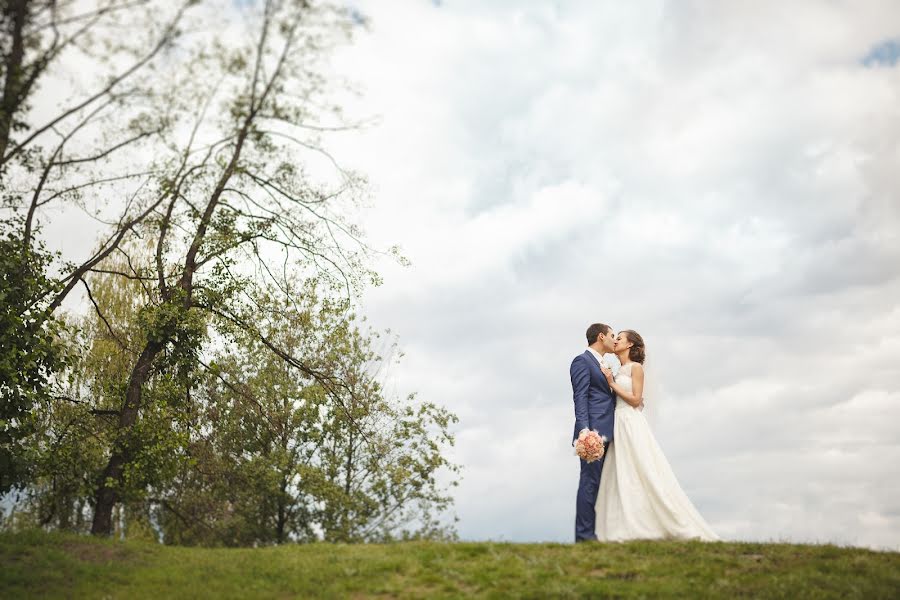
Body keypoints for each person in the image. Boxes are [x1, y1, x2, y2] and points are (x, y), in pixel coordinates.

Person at [595, 330, 718, 541]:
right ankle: (623, 523)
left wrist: (612, 383)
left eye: (620, 338)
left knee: (643, 468)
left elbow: (635, 400)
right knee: (623, 470)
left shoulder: (636, 368)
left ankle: (664, 522)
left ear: (630, 345)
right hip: (619, 423)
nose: (615, 341)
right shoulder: (618, 369)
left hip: (631, 423)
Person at [570, 323, 617, 542]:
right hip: (593, 434)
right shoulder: (582, 361)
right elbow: (580, 397)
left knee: (601, 483)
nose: (614, 340)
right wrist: (585, 431)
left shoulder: (604, 364)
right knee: (589, 482)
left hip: (610, 430)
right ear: (601, 336)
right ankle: (584, 536)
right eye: (612, 335)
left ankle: (601, 532)